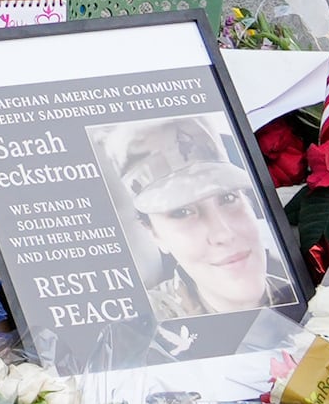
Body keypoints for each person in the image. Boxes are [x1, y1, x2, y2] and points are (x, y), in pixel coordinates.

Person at [98, 115, 297, 356]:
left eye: (228, 197)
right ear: (154, 234)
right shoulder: (139, 336)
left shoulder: (315, 289)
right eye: (182, 212)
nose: (223, 232)